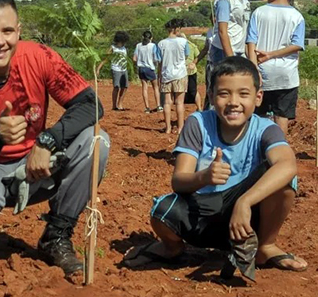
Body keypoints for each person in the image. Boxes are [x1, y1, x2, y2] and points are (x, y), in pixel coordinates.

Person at [0, 0, 110, 276]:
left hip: (35, 164)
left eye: (7, 31)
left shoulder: (40, 56)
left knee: (97, 141)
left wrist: (48, 140)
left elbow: (91, 105)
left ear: (18, 31)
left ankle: (56, 236)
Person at [122, 57, 307, 273]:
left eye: (243, 94)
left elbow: (287, 165)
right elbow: (179, 181)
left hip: (247, 220)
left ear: (258, 98)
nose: (233, 102)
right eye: (224, 93)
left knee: (284, 180)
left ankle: (265, 246)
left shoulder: (266, 129)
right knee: (162, 211)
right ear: (211, 96)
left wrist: (245, 202)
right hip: (203, 212)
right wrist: (204, 177)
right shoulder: (198, 123)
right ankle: (171, 247)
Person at [246, 0, 305, 134]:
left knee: (260, 115)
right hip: (287, 75)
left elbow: (251, 42)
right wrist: (272, 54)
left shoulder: (259, 13)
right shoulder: (297, 16)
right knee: (282, 116)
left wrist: (254, 68)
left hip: (262, 73)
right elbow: (297, 45)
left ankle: (260, 152)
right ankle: (279, 152)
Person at [158, 18, 190, 134]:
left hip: (166, 74)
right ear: (177, 29)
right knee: (179, 102)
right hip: (180, 74)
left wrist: (159, 75)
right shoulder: (183, 42)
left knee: (167, 102)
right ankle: (180, 127)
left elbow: (159, 61)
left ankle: (168, 128)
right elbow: (186, 55)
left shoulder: (161, 43)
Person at [134, 30, 162, 113]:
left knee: (144, 88)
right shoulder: (153, 46)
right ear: (151, 38)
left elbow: (134, 58)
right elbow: (157, 59)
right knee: (155, 87)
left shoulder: (138, 45)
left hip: (141, 68)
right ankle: (158, 106)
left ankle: (147, 108)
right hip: (150, 68)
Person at [108, 31, 130, 111]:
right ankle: (114, 105)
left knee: (125, 87)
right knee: (116, 87)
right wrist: (99, 68)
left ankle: (120, 103)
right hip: (116, 69)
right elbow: (106, 57)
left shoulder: (124, 48)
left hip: (124, 69)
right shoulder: (113, 47)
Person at [181, 31, 203, 112]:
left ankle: (199, 108)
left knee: (192, 91)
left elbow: (198, 56)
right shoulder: (192, 45)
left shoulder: (192, 46)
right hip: (185, 71)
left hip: (188, 71)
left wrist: (193, 63)